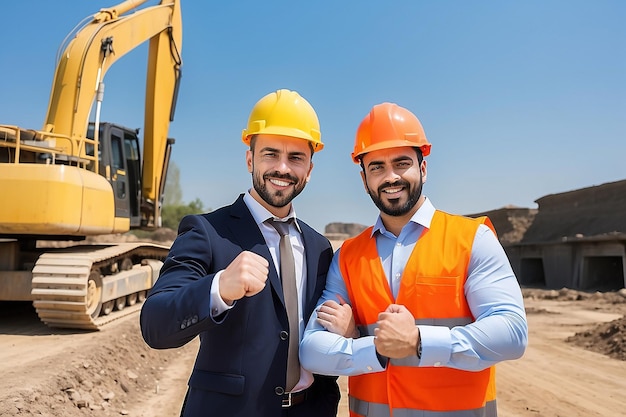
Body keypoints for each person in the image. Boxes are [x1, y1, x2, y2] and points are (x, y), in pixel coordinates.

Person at [300, 102, 528, 417]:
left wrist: (419, 341)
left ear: (423, 167)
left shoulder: (472, 239)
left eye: (401, 162)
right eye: (376, 166)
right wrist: (369, 347)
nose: (390, 176)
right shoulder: (348, 257)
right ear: (364, 178)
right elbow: (311, 351)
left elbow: (512, 333)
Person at [140, 89, 340, 417]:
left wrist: (346, 331)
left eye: (296, 158)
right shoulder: (206, 232)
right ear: (250, 159)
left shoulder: (319, 247)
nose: (282, 168)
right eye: (270, 154)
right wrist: (219, 287)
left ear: (309, 169)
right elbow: (155, 323)